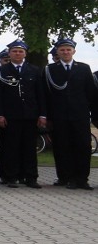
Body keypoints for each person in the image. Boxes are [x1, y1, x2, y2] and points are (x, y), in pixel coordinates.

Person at [0, 40, 45, 188]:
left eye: (20, 51)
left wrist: (42, 114)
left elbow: (41, 94)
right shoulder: (2, 71)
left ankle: (30, 177)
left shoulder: (34, 70)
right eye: (14, 51)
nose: (17, 53)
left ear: (25, 53)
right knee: (11, 147)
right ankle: (11, 176)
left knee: (30, 148)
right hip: (10, 115)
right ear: (9, 53)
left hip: (30, 115)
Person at [43, 38, 95, 190]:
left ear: (74, 51)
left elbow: (90, 92)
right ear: (57, 52)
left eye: (68, 49)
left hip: (80, 115)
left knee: (83, 146)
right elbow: (46, 94)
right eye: (62, 49)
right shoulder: (50, 69)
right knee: (62, 147)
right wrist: (46, 115)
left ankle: (82, 179)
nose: (65, 52)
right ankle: (66, 177)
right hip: (59, 115)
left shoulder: (84, 68)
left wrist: (91, 112)